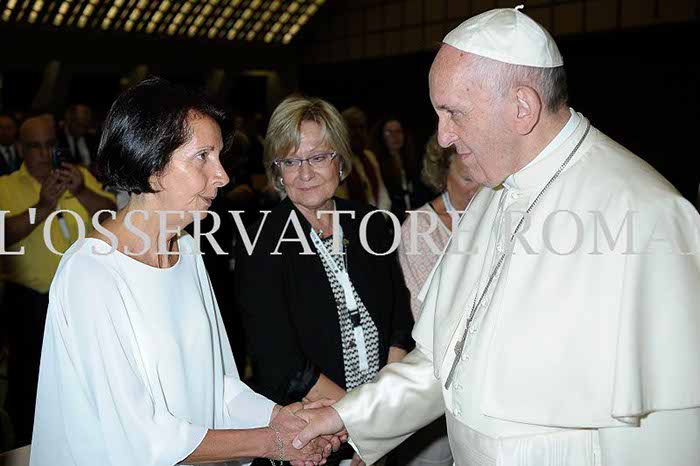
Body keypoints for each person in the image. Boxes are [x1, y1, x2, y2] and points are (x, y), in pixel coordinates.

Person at [291, 7, 700, 466]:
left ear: (522, 107)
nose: (443, 137)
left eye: (454, 113)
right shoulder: (493, 194)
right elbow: (445, 360)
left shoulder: (645, 212)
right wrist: (347, 416)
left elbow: (666, 429)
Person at [30, 78, 336, 466]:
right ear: (152, 164)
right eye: (203, 157)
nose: (222, 176)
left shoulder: (187, 251)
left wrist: (282, 419)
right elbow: (137, 438)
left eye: (219, 157)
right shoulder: (92, 273)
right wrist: (270, 441)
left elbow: (220, 386)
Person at [234, 95, 414, 466]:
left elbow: (400, 320)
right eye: (290, 161)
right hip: (314, 434)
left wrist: (383, 416)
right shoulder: (260, 242)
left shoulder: (374, 225)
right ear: (276, 170)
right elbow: (278, 362)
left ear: (341, 161)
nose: (305, 173)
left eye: (318, 157)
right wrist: (359, 423)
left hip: (382, 422)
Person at [0, 115, 116, 447]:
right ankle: (29, 447)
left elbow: (112, 218)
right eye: (35, 146)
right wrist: (44, 206)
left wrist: (80, 192)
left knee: (85, 381)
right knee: (30, 385)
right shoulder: (6, 187)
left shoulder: (76, 179)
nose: (43, 153)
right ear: (21, 148)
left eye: (49, 144)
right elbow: (3, 233)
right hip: (31, 302)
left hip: (84, 301)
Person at [338, 107, 391, 212]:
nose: (358, 133)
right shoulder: (338, 161)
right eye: (352, 128)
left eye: (361, 128)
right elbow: (341, 200)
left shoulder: (369, 156)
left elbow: (382, 193)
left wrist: (379, 218)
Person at [369, 118, 418, 221]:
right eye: (389, 132)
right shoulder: (378, 164)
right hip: (392, 221)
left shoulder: (411, 161)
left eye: (398, 131)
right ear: (382, 136)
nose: (394, 136)